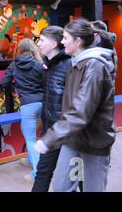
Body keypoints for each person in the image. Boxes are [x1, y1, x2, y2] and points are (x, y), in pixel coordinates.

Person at [35, 19, 116, 192]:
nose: (62, 42)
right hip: (73, 140)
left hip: (94, 143)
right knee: (62, 187)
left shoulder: (94, 67)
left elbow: (81, 111)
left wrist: (49, 138)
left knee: (91, 189)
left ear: (78, 41)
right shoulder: (75, 64)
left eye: (65, 38)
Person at [32, 26, 71, 192]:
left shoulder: (70, 65)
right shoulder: (47, 67)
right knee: (42, 173)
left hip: (68, 134)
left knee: (73, 179)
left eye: (41, 40)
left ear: (54, 43)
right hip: (50, 132)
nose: (38, 44)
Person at [1, 38, 45, 183]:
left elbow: (4, 83)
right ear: (33, 49)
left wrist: (16, 88)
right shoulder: (39, 65)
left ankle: (38, 173)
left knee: (30, 138)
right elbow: (47, 82)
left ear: (19, 49)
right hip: (43, 104)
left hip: (28, 105)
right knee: (33, 133)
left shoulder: (14, 65)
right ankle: (30, 159)